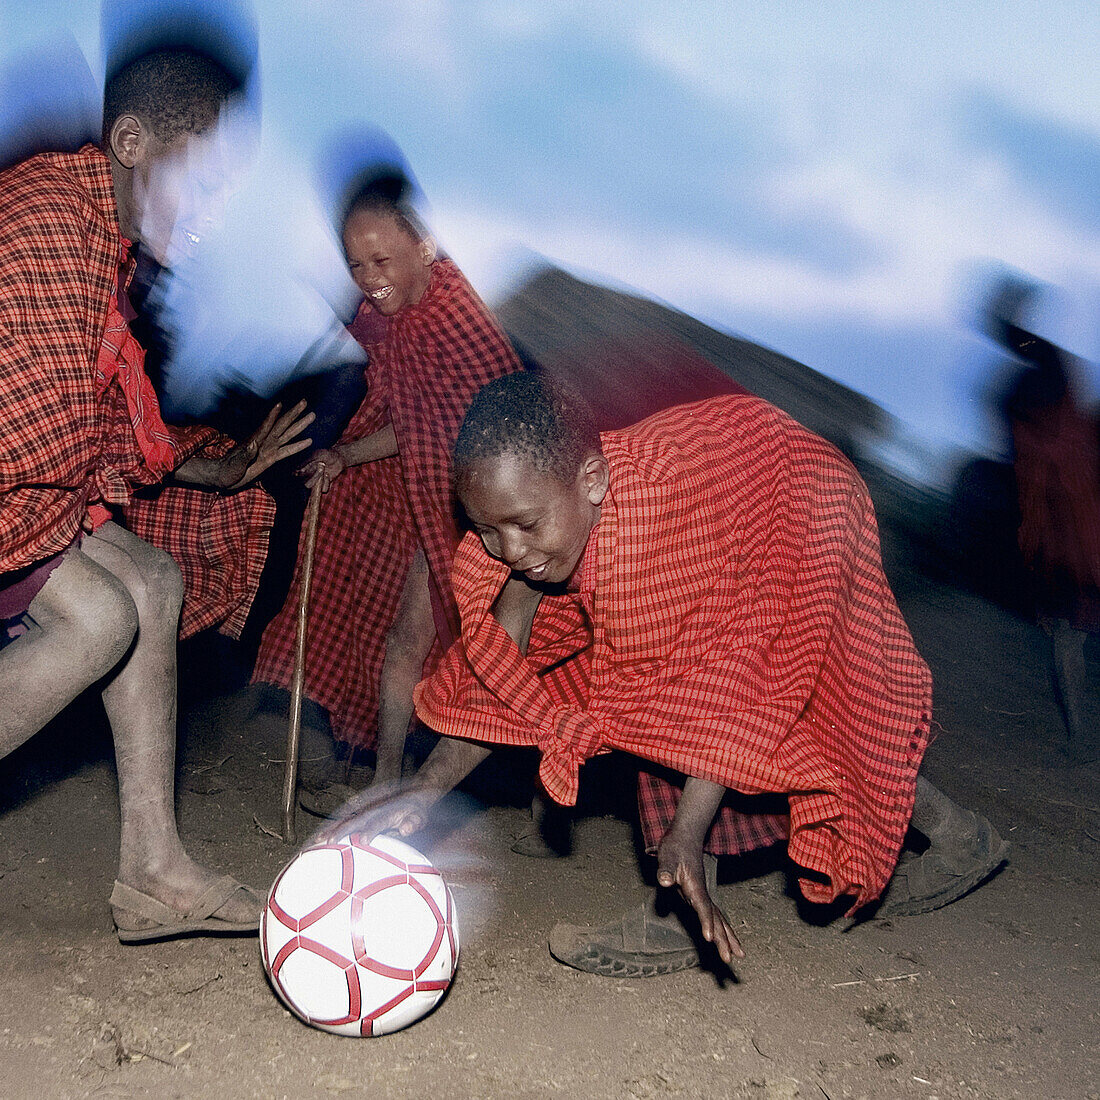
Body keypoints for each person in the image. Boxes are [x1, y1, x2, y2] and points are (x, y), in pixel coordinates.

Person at [334, 373, 1010, 977]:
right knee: (637, 690)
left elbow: (726, 689)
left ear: (591, 481)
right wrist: (421, 790)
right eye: (486, 530)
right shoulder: (533, 538)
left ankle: (949, 843)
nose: (509, 551)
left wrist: (685, 835)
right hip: (715, 506)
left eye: (524, 525)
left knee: (805, 708)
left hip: (797, 504)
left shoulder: (652, 540)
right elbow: (500, 691)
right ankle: (959, 837)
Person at [0, 46, 313, 941]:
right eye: (204, 185)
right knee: (100, 615)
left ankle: (153, 872)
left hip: (18, 482)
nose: (214, 216)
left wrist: (218, 471)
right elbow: (30, 443)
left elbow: (94, 430)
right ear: (130, 140)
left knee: (154, 579)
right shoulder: (51, 226)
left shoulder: (103, 237)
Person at [251, 185, 520, 798]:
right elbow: (415, 422)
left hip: (497, 522)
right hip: (437, 512)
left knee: (505, 657)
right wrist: (345, 454)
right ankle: (385, 780)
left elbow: (498, 433)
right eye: (356, 264)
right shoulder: (392, 323)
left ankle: (516, 794)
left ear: (425, 246)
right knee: (405, 640)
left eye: (381, 261)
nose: (369, 279)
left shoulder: (464, 316)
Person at [989, 279, 1100, 762]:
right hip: (1061, 525)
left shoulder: (1041, 372)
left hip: (1071, 521)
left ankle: (1078, 735)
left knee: (1068, 630)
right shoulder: (1031, 380)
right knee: (1067, 631)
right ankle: (1078, 736)